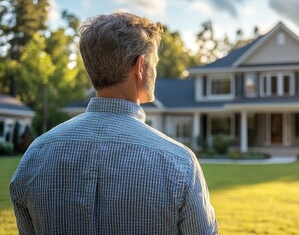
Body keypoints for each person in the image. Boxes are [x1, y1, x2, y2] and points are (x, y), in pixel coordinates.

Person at [10, 12, 218, 234]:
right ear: (140, 67)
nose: (155, 70)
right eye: (154, 62)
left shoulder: (36, 154)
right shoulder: (179, 163)